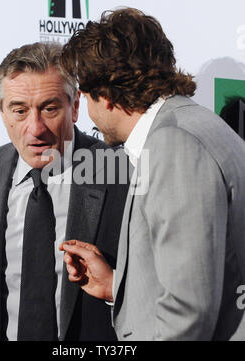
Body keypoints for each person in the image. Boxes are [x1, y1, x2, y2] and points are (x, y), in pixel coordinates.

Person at [59, 7, 245, 341]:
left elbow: (189, 312)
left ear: (108, 95)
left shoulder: (176, 144)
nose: (84, 111)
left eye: (85, 95)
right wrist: (117, 286)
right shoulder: (189, 125)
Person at [0, 42, 129, 341]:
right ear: (2, 112)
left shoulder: (121, 171)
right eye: (19, 110)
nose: (35, 128)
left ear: (76, 107)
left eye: (50, 108)